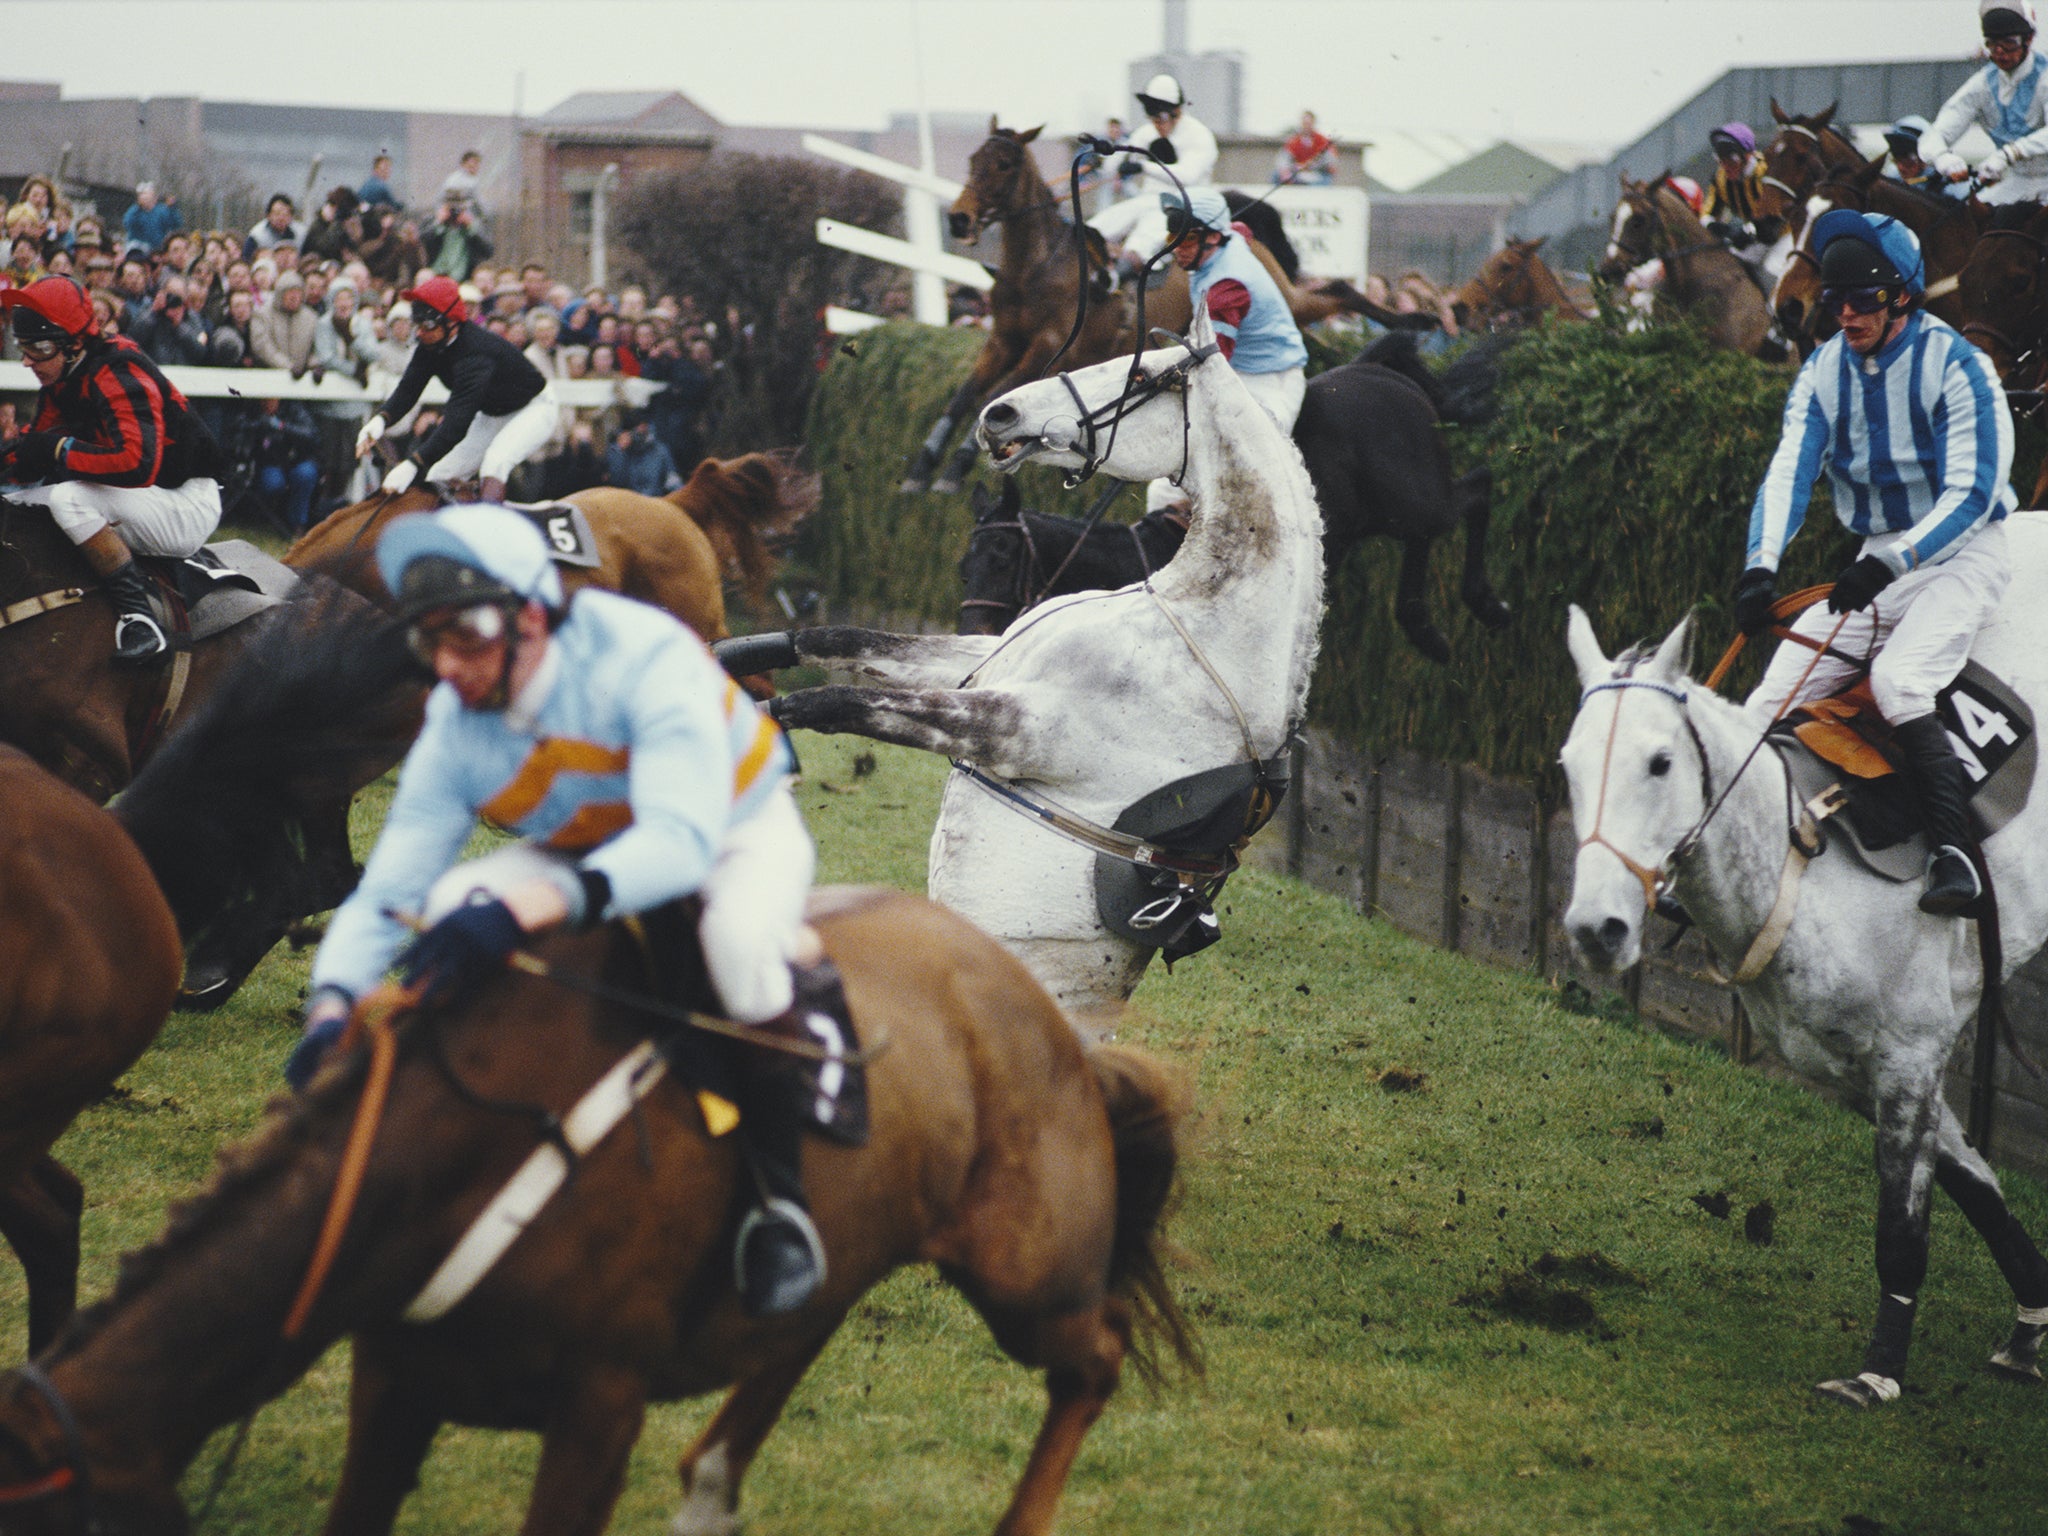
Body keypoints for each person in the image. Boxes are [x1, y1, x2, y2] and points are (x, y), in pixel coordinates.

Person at [289, 505, 840, 1317]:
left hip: (728, 827)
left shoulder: (646, 657)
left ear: (535, 615)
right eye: (429, 641)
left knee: (734, 943)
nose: (450, 668)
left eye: (468, 636)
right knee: (447, 903)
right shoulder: (454, 717)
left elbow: (680, 844)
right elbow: (391, 893)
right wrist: (331, 1005)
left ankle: (780, 1205)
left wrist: (529, 911)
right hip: (585, 838)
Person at [1731, 211, 2015, 915]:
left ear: (1903, 299)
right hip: (1878, 562)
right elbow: (1788, 473)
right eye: (1834, 300)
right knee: (1767, 702)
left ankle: (1956, 858)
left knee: (1899, 679)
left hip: (1963, 552)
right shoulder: (1824, 370)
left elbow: (1974, 494)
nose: (1846, 314)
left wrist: (1892, 562)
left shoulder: (1959, 365)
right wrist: (1760, 567)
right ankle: (1728, 859)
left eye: (1863, 301)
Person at [0, 276, 225, 664]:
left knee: (67, 497)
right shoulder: (61, 380)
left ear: (72, 344)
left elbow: (136, 464)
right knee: (14, 504)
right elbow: (28, 458)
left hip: (185, 502)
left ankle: (140, 620)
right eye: (24, 348)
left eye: (38, 348)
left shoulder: (119, 369)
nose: (27, 360)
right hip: (142, 498)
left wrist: (57, 449)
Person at [356, 273, 555, 503]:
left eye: (427, 325)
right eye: (417, 324)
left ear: (451, 322)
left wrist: (413, 463)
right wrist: (379, 421)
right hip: (493, 413)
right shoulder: (430, 344)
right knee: (439, 475)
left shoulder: (476, 354)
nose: (420, 332)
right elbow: (408, 390)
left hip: (535, 408)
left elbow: (456, 423)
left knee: (495, 462)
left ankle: (494, 531)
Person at [1087, 73, 1221, 274]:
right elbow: (1118, 158)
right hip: (1149, 200)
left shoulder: (1199, 135)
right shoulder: (1146, 132)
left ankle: (1119, 281)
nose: (1158, 125)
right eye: (1153, 118)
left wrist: (1144, 167)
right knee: (1093, 229)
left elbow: (1188, 176)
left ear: (1176, 111)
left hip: (1184, 205)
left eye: (1162, 118)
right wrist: (1099, 161)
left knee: (1140, 243)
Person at [1921, 1, 2048, 204]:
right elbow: (1935, 133)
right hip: (2019, 182)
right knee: (1967, 219)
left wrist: (2009, 154)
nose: (1999, 52)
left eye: (2009, 42)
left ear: (2029, 39)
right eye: (1991, 43)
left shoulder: (2044, 76)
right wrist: (1943, 158)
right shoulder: (1982, 84)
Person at [1702, 122, 1783, 285]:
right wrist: (1727, 231)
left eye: (1732, 161)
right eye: (1721, 161)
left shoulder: (1766, 171)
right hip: (1755, 243)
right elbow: (1707, 216)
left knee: (1770, 273)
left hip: (1782, 236)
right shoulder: (1720, 178)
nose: (1726, 167)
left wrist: (1748, 231)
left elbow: (1775, 218)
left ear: (1748, 155)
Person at [246, 397, 323, 532]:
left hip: (298, 459)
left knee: (305, 474)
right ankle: (271, 520)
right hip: (272, 462)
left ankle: (298, 524)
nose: (265, 404)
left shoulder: (295, 409)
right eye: (262, 400)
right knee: (271, 483)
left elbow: (310, 435)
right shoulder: (254, 410)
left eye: (269, 400)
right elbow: (243, 429)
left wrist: (281, 426)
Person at [1882, 114, 1969, 198]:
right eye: (1896, 160)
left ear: (1925, 161)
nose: (1901, 168)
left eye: (1908, 162)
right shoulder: (1893, 177)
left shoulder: (1949, 186)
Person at [422, 189, 492, 283]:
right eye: (451, 209)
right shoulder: (431, 222)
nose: (455, 213)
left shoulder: (474, 224)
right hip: (435, 278)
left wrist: (471, 227)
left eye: (459, 209)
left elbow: (488, 251)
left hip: (464, 280)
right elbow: (422, 243)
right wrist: (438, 224)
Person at [1275, 109, 1338, 185]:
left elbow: (1330, 161)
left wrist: (1314, 166)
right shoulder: (1294, 141)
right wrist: (1287, 171)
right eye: (1304, 123)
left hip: (1317, 174)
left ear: (1313, 123)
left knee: (1325, 180)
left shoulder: (1322, 141)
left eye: (1309, 123)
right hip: (1298, 173)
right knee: (1276, 175)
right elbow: (1283, 159)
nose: (1306, 126)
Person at [121, 181, 181, 258]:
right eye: (143, 195)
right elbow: (127, 223)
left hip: (158, 248)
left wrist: (172, 209)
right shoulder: (135, 211)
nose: (146, 198)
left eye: (148, 195)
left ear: (154, 197)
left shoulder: (162, 210)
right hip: (139, 249)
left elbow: (176, 224)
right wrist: (138, 207)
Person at [243, 194, 306, 260]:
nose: (281, 218)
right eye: (277, 214)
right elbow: (246, 259)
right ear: (268, 216)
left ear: (291, 217)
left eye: (285, 214)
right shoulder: (257, 235)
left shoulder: (301, 233)